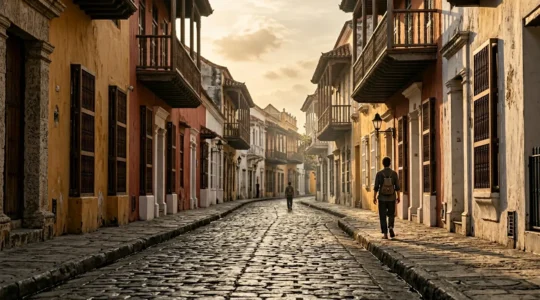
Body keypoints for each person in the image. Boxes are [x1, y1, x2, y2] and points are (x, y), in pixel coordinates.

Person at [373, 157, 400, 239]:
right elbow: (397, 187)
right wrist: (398, 196)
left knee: (382, 216)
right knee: (391, 214)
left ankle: (385, 234)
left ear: (383, 163)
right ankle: (391, 227)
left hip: (382, 198)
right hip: (392, 198)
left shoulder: (379, 174)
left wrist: (374, 197)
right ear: (390, 163)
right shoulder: (394, 174)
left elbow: (376, 187)